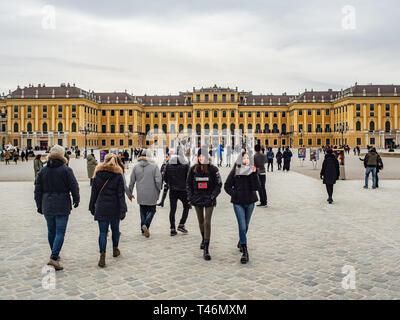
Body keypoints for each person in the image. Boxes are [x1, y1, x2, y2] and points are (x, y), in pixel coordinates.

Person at [34, 145, 80, 271]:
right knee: (60, 232)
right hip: (62, 204)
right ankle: (54, 257)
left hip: (47, 204)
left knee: (51, 231)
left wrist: (39, 205)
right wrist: (76, 199)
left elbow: (37, 190)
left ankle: (55, 255)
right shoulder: (66, 170)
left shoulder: (43, 170)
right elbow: (74, 186)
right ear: (62, 155)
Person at [89, 153, 127, 268]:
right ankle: (115, 249)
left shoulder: (98, 173)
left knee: (102, 232)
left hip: (101, 207)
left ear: (104, 161)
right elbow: (121, 194)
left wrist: (91, 207)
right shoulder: (118, 175)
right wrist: (123, 209)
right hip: (114, 206)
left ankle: (102, 254)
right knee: (115, 230)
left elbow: (94, 193)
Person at [224, 151, 260, 264]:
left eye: (248, 158)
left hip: (250, 202)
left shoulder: (252, 171)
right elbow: (227, 186)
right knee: (242, 226)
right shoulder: (235, 172)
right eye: (244, 158)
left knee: (246, 225)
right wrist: (235, 194)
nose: (246, 160)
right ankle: (245, 251)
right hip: (238, 203)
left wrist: (254, 174)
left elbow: (257, 187)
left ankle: (241, 240)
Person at [186, 147, 222, 261]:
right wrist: (190, 197)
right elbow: (188, 184)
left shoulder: (213, 169)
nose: (201, 158)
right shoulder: (193, 170)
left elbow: (219, 184)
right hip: (197, 199)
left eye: (204, 157)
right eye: (200, 156)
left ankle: (206, 248)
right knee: (201, 221)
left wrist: (213, 195)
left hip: (209, 199)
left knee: (207, 222)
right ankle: (203, 238)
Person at [129, 149, 162, 238]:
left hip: (141, 193)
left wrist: (130, 193)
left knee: (142, 211)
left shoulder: (136, 167)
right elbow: (158, 181)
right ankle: (146, 225)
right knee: (152, 210)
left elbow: (131, 181)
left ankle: (142, 228)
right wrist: (159, 189)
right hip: (152, 193)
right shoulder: (154, 166)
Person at [164, 153, 191, 236]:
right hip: (183, 190)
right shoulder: (185, 166)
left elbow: (165, 178)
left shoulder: (168, 166)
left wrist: (170, 183)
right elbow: (189, 178)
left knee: (172, 209)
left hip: (172, 191)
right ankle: (181, 224)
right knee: (186, 207)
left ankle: (172, 228)